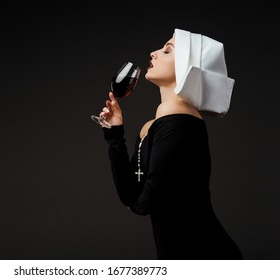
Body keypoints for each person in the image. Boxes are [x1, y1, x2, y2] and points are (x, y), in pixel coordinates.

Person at [96, 28, 244, 260]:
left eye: (167, 50)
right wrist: (114, 132)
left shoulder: (176, 114)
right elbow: (130, 193)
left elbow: (146, 198)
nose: (153, 53)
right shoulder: (154, 123)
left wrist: (135, 205)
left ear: (186, 65)